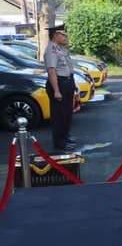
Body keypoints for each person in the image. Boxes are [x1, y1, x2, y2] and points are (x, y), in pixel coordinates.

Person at [43, 24, 76, 152]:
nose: (66, 37)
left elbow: (67, 67)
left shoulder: (61, 48)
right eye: (63, 34)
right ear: (55, 35)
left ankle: (65, 136)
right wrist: (56, 90)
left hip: (67, 82)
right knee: (59, 115)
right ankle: (59, 143)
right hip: (58, 84)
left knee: (67, 113)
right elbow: (52, 71)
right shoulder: (51, 49)